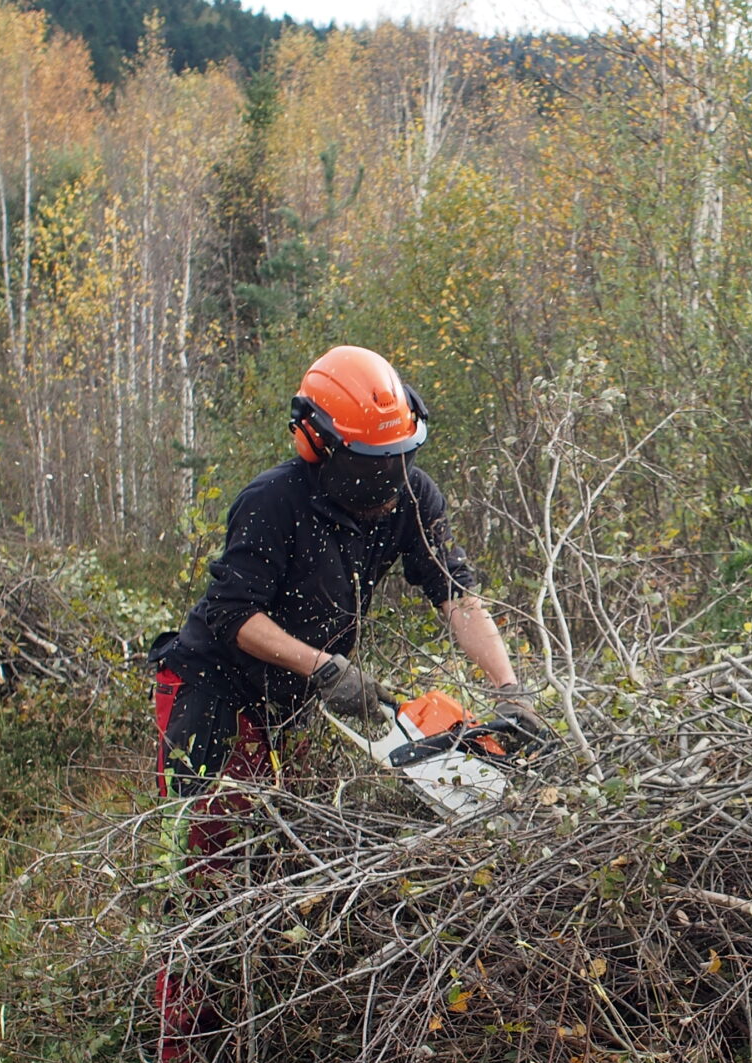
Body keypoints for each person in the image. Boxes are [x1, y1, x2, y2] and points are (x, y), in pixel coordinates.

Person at [150, 344, 544, 811]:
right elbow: (234, 614)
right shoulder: (273, 502)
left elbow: (455, 594)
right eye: (367, 467)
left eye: (395, 460)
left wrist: (508, 688)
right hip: (216, 685)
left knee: (287, 837)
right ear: (319, 444)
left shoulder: (413, 497)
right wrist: (323, 667)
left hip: (297, 696)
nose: (385, 483)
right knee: (209, 839)